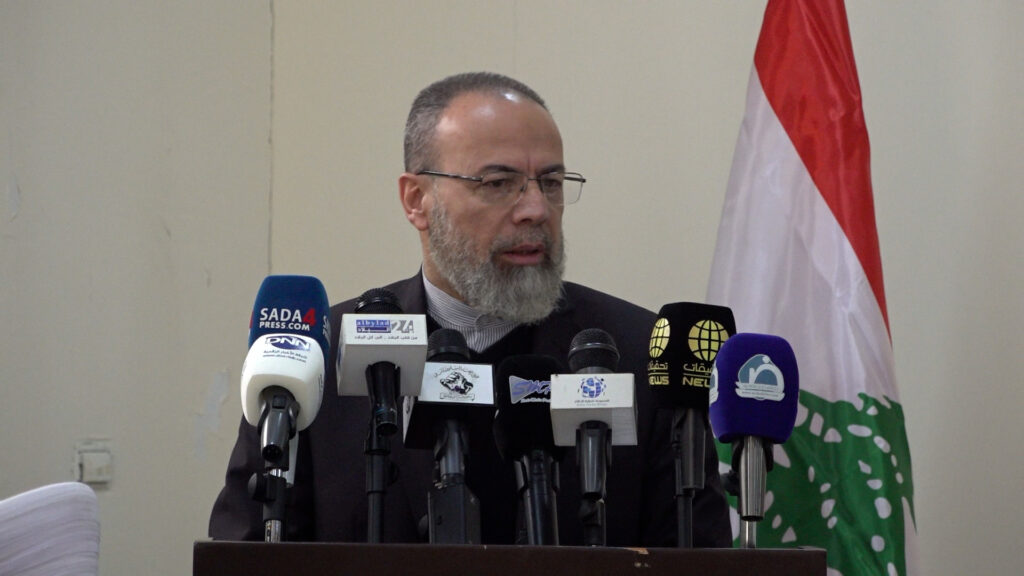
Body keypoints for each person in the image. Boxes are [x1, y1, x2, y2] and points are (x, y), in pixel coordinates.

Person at [209, 72, 731, 547]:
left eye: (551, 183)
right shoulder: (314, 359)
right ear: (416, 200)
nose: (536, 210)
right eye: (498, 183)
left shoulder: (643, 356)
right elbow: (248, 550)